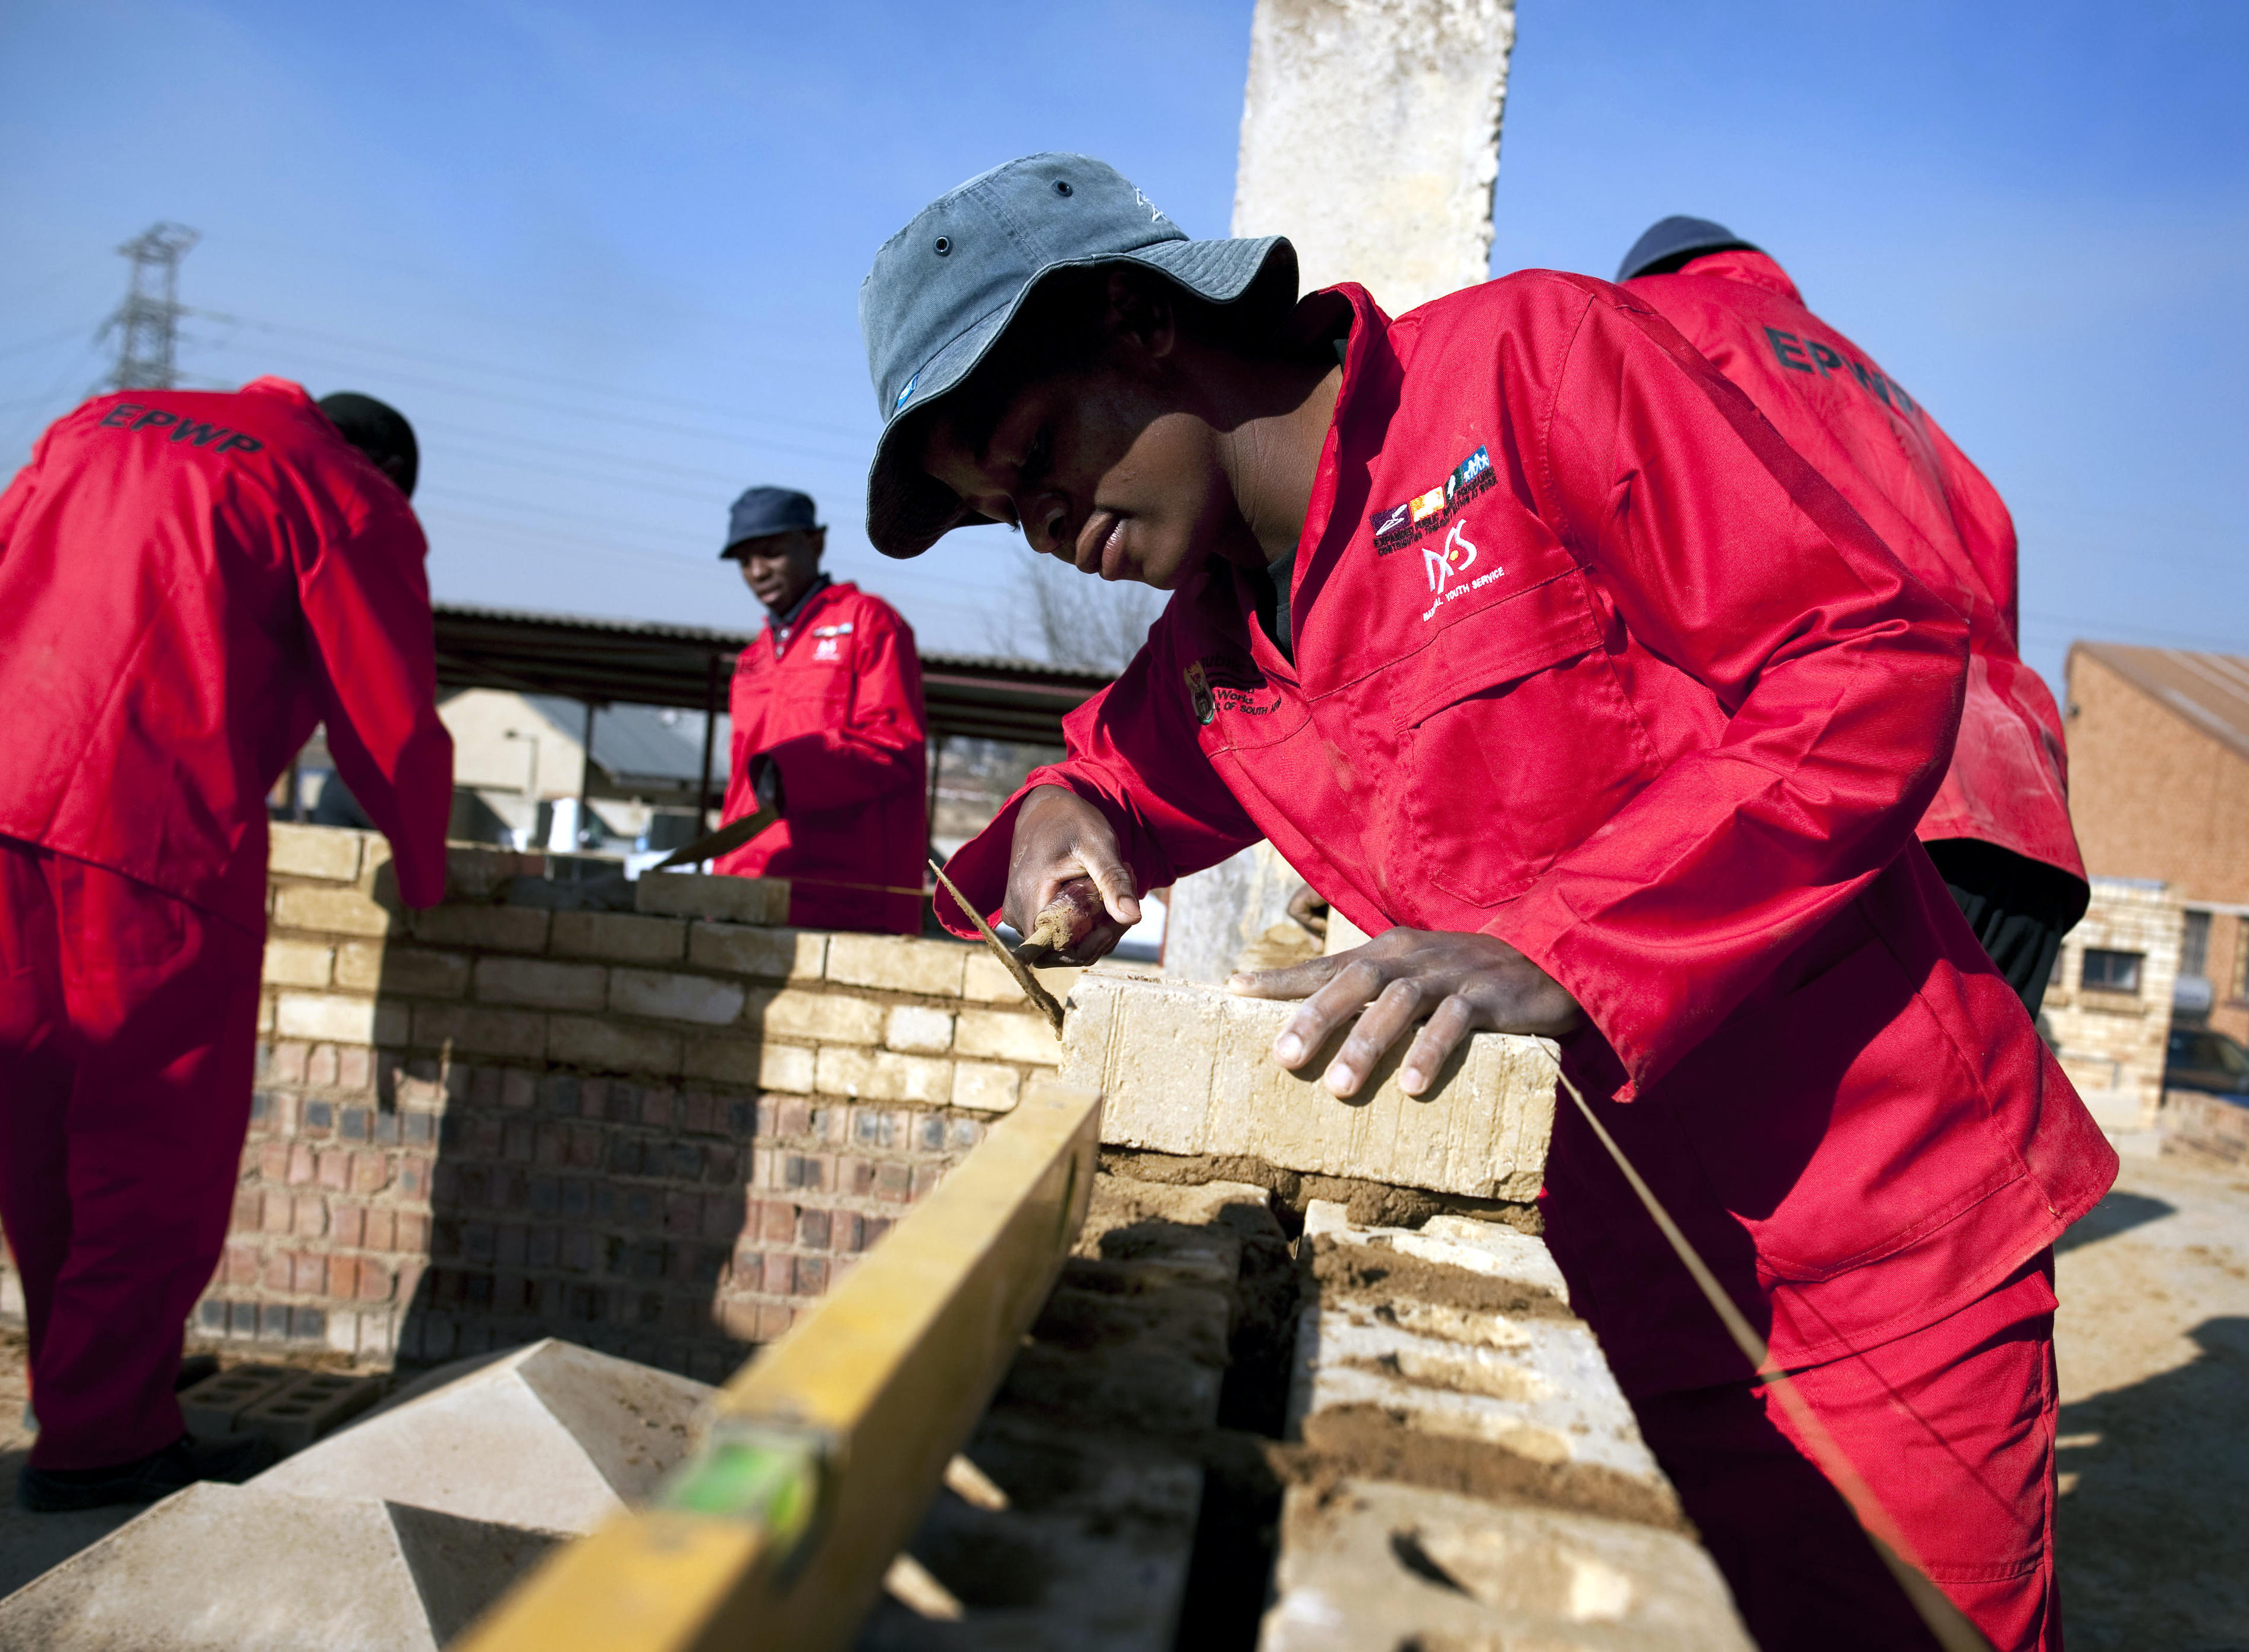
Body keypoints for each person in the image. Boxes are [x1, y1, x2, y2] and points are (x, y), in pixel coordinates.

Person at [859, 155, 2114, 1650]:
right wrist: (1059, 823)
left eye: (1036, 447)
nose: (1045, 518)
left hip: (1875, 1237)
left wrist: (1562, 948)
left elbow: (1867, 661)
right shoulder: (1218, 649)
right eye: (1003, 511)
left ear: (1137, 317)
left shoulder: (1528, 374)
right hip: (1617, 1278)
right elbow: (1095, 787)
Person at [0, 379, 453, 1511]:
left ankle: (91, 1379)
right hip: (152, 819)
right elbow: (385, 709)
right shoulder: (345, 493)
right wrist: (423, 869)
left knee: (36, 1117)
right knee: (153, 1143)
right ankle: (102, 1442)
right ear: (386, 467)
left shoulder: (101, 422)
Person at [1618, 216, 2087, 1015]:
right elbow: (1995, 560)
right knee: (1976, 1133)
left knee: (1752, 1135)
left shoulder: (1652, 326)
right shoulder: (1896, 399)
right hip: (2020, 827)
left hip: (1848, 797)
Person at [710, 485, 928, 934]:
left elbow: (895, 745)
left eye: (770, 553)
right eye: (744, 561)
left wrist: (792, 773)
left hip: (839, 900)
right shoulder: (753, 658)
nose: (756, 572)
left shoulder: (869, 624)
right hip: (751, 882)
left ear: (815, 543)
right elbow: (740, 786)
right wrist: (723, 874)